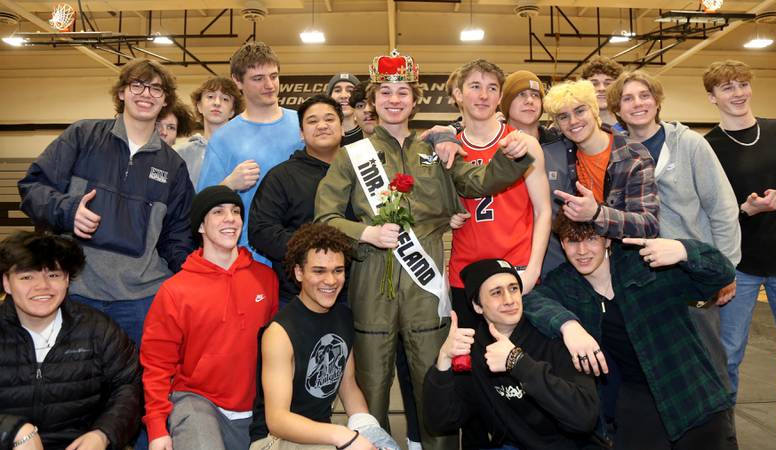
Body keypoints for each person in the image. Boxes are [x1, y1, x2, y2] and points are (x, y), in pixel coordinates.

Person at [315, 49, 536, 450]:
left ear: (416, 101)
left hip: (426, 287)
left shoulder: (438, 149)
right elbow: (325, 220)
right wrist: (365, 234)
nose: (394, 99)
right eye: (385, 92)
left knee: (437, 386)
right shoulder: (352, 155)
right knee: (373, 389)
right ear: (373, 102)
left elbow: (479, 183)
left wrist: (515, 153)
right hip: (370, 285)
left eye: (403, 91)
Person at [18, 58, 195, 346]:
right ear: (122, 92)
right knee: (76, 386)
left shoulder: (173, 167)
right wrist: (69, 210)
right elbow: (32, 188)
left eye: (155, 89)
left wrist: (194, 277)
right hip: (77, 292)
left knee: (137, 388)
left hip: (141, 302)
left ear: (165, 101)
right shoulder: (83, 136)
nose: (146, 94)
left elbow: (177, 235)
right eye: (137, 84)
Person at [525, 211, 738, 449]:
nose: (582, 251)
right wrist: (569, 326)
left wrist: (683, 250)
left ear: (607, 240)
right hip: (635, 401)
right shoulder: (565, 283)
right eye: (572, 241)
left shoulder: (644, 264)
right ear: (562, 244)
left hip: (689, 389)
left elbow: (722, 273)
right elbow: (531, 301)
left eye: (591, 239)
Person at [606, 69, 740, 397]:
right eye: (627, 98)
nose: (638, 103)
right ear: (617, 109)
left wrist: (725, 267)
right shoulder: (614, 151)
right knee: (656, 370)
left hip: (691, 273)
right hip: (639, 280)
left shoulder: (689, 144)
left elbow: (722, 208)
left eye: (644, 95)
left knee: (707, 364)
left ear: (657, 101)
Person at [702, 59, 776, 450]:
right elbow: (712, 212)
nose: (738, 93)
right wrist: (747, 209)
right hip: (738, 268)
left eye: (743, 84)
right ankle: (726, 443)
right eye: (727, 88)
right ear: (712, 97)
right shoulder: (708, 147)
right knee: (726, 362)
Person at [141, 185, 279, 450]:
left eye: (236, 212)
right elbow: (156, 364)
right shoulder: (175, 290)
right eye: (218, 212)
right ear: (201, 227)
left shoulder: (265, 279)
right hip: (197, 401)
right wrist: (158, 428)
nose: (230, 218)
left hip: (256, 409)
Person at [250, 223, 397, 450]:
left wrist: (369, 432)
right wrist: (343, 436)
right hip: (272, 441)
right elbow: (277, 421)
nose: (330, 280)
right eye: (319, 271)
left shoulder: (343, 317)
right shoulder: (279, 333)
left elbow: (348, 387)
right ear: (299, 272)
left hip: (321, 436)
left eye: (338, 270)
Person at [424, 258, 599, 449]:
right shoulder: (474, 351)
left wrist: (517, 362)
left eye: (514, 288)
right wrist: (444, 361)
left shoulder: (555, 336)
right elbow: (440, 423)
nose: (509, 300)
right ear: (477, 305)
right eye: (496, 292)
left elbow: (584, 419)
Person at [0, 231, 141, 450]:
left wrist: (103, 434)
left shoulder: (98, 329)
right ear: (7, 283)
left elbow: (129, 385)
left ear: (67, 279)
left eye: (54, 275)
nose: (42, 286)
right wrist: (12, 430)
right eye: (27, 277)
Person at [448, 60, 551, 322]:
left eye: (492, 88)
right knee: (472, 360)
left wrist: (532, 270)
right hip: (465, 273)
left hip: (514, 269)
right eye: (475, 86)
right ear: (458, 94)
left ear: (500, 97)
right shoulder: (449, 149)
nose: (483, 95)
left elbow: (543, 211)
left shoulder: (523, 144)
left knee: (519, 358)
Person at [197, 42, 303, 265]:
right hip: (248, 257)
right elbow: (202, 203)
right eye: (258, 79)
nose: (269, 85)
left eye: (273, 76)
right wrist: (229, 184)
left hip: (301, 251)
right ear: (238, 81)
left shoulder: (303, 125)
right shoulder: (223, 138)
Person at [249, 95, 348, 307]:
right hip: (295, 297)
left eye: (329, 119)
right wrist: (313, 254)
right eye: (312, 121)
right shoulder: (281, 176)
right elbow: (260, 231)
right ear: (302, 134)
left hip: (354, 295)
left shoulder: (360, 172)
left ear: (343, 128)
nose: (321, 125)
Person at [542, 79, 659, 240]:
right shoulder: (563, 149)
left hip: (626, 257)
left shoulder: (633, 156)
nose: (573, 121)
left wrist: (597, 213)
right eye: (563, 117)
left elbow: (648, 225)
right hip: (584, 253)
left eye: (580, 111)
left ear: (594, 110)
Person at [500, 70, 576, 276]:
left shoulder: (563, 145)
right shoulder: (493, 144)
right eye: (521, 95)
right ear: (505, 103)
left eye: (535, 96)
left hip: (556, 263)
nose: (529, 101)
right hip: (505, 259)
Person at [175, 76, 244, 188]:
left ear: (232, 111)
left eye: (225, 99)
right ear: (199, 106)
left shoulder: (243, 152)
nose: (217, 103)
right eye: (210, 97)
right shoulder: (181, 154)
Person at [579, 56, 624, 132]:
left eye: (608, 83)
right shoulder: (577, 126)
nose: (602, 88)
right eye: (594, 84)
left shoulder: (629, 126)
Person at [327, 73, 362, 145]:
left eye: (350, 91)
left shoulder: (369, 132)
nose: (343, 96)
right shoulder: (323, 133)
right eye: (337, 90)